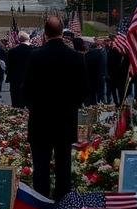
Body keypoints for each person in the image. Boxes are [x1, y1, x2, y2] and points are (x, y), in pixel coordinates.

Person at [23, 16, 88, 199]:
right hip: (65, 120)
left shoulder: (35, 56)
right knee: (63, 166)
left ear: (45, 33)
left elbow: (26, 89)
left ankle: (41, 206)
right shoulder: (76, 57)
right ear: (62, 32)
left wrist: (35, 106)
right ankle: (62, 206)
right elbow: (83, 90)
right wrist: (70, 106)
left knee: (41, 167)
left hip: (40, 120)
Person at [5, 31, 33, 108]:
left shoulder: (12, 51)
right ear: (28, 39)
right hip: (29, 81)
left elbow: (9, 66)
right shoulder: (34, 51)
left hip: (15, 80)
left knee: (16, 104)